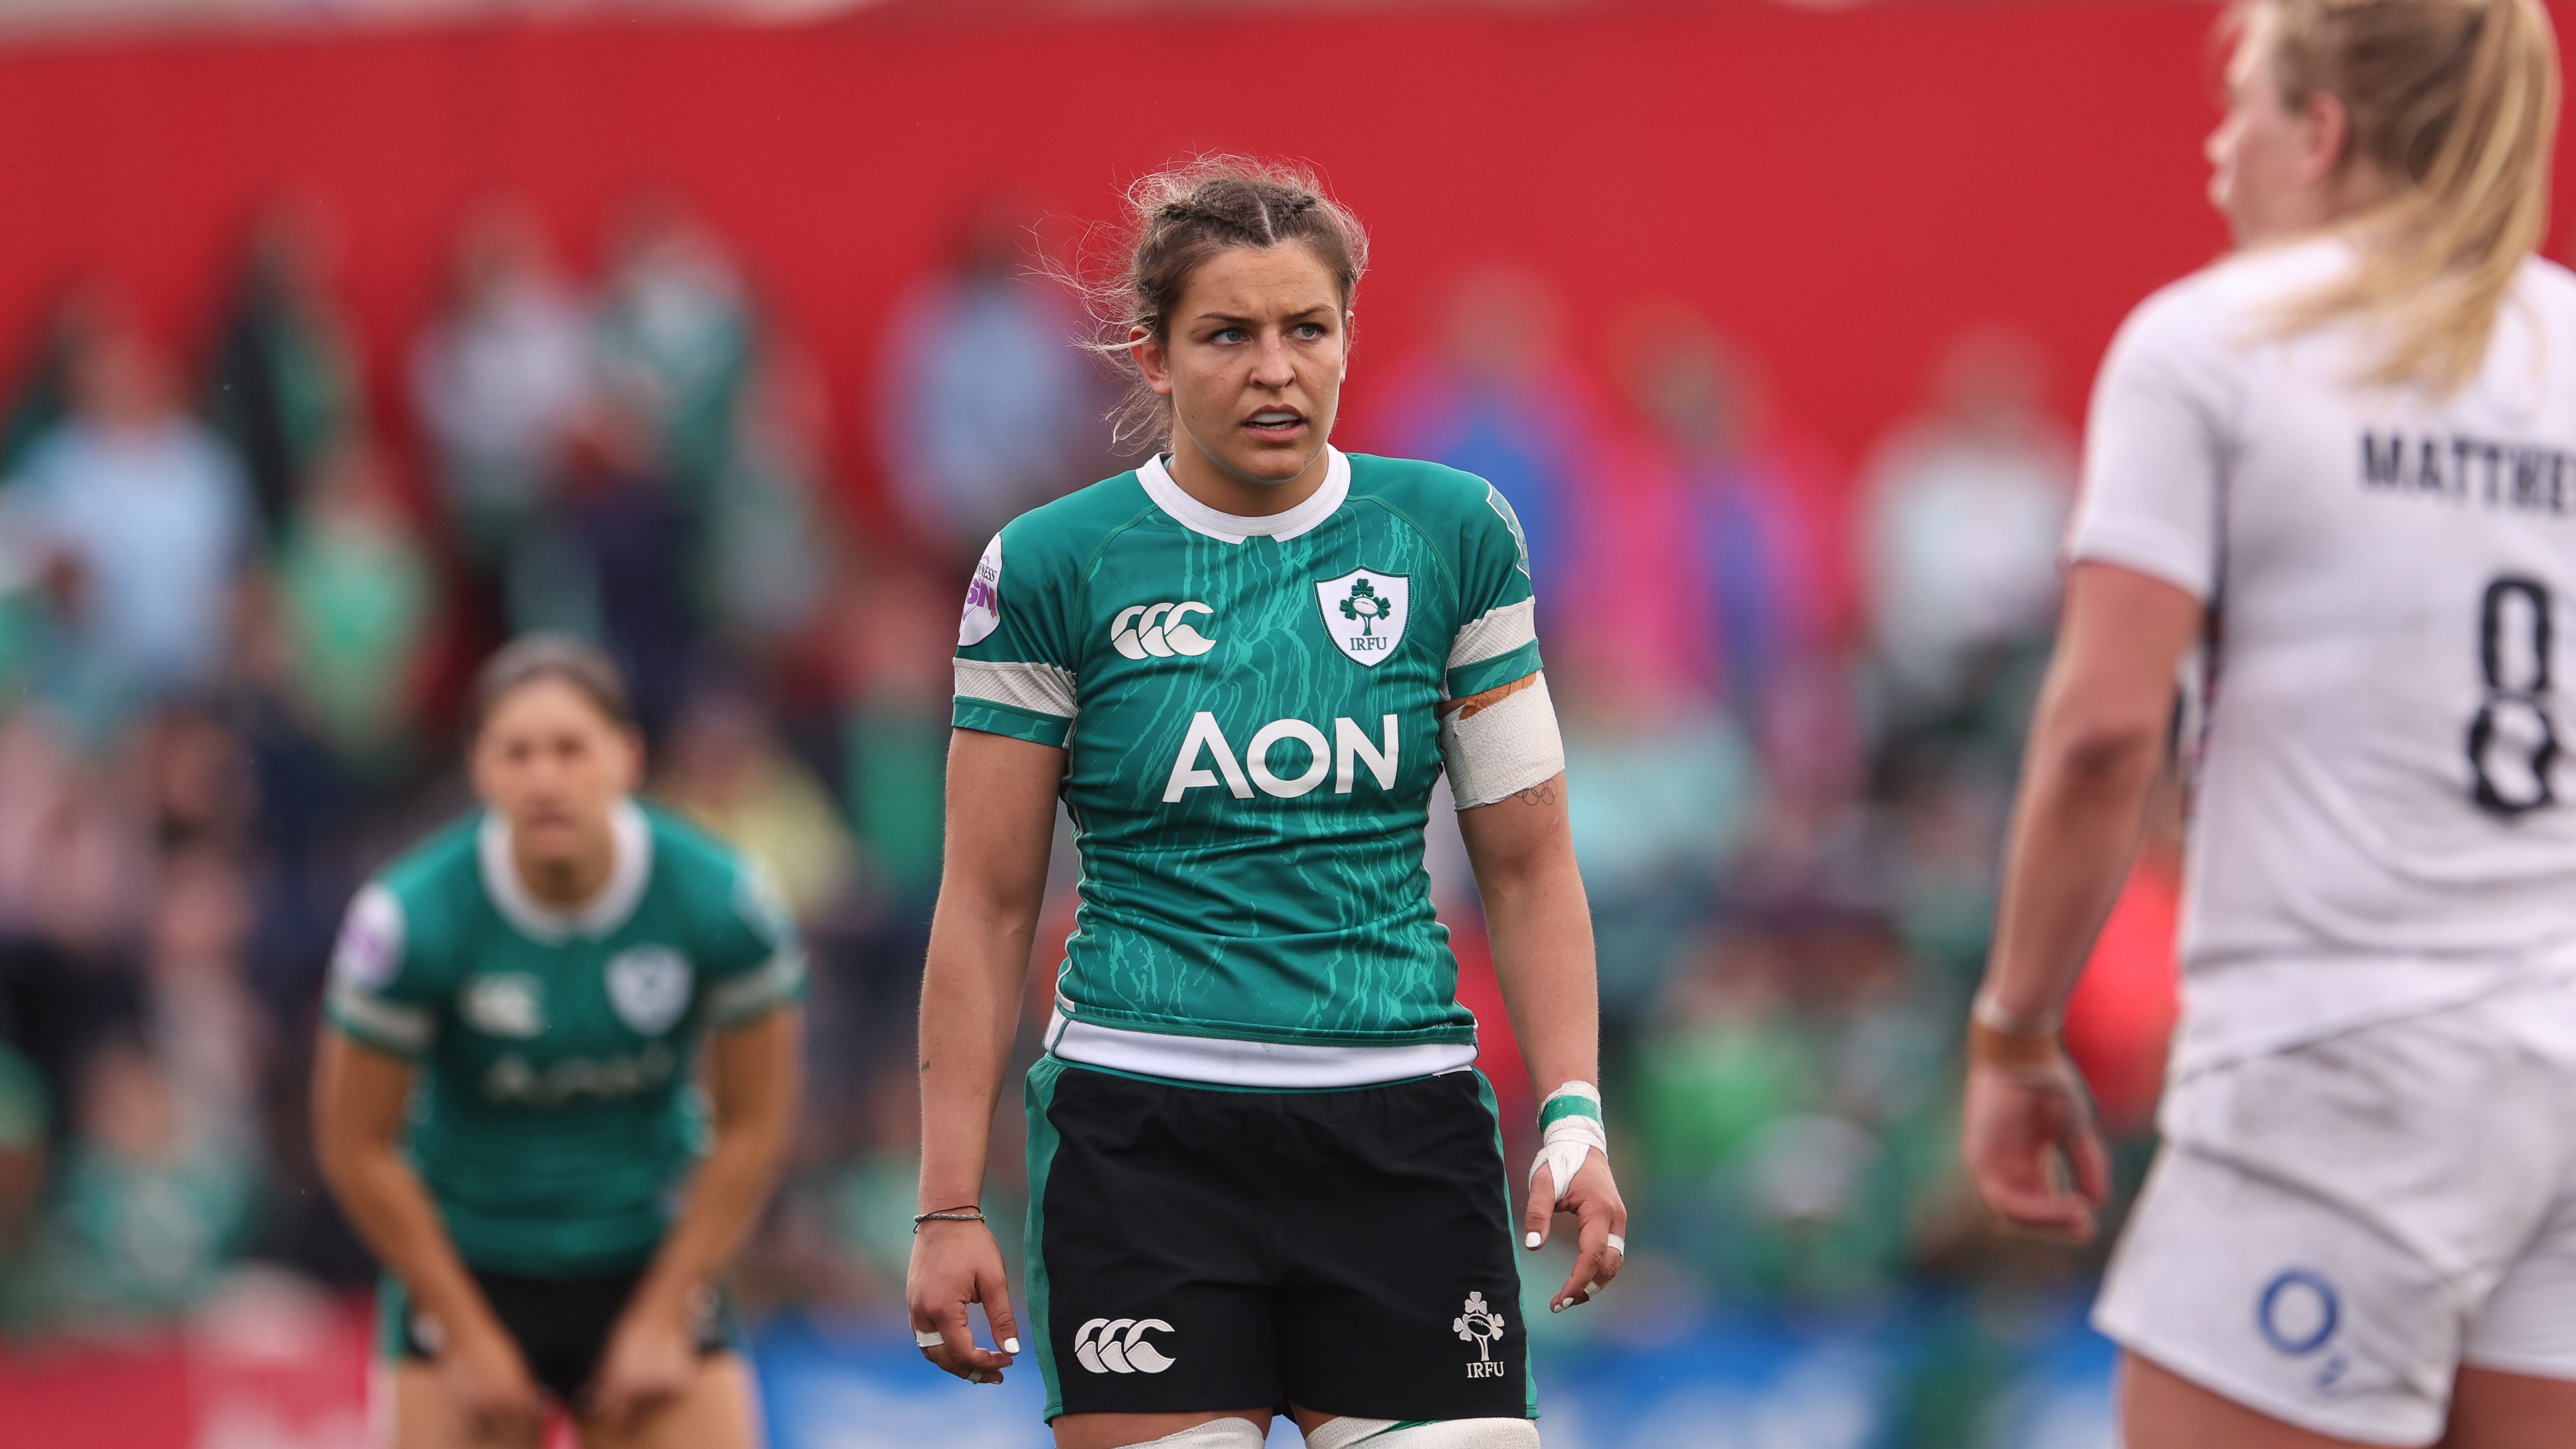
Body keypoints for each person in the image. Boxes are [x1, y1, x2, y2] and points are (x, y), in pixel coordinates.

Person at [907, 159, 1628, 1449]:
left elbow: (1526, 867)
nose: (1274, 370)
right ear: (1152, 355)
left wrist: (1572, 1108)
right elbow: (988, 901)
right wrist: (948, 1201)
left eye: (1307, 329)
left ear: (1349, 337)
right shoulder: (1051, 566)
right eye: (1226, 335)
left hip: (1400, 1130)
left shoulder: (1455, 535)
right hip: (1142, 1141)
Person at [1962, 3, 2574, 1446]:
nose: (2215, 146)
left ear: (2321, 132)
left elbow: (2102, 736)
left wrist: (2012, 1032)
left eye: (2239, 102)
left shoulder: (2212, 343)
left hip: (2336, 1067)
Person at [313, 635, 805, 1449]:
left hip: (648, 1252)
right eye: (517, 753)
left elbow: (754, 1123)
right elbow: (355, 1145)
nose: (544, 778)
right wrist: (466, 1332)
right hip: (467, 1258)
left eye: (571, 749)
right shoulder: (407, 920)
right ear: (477, 767)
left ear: (627, 757)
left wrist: (664, 1311)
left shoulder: (724, 899)